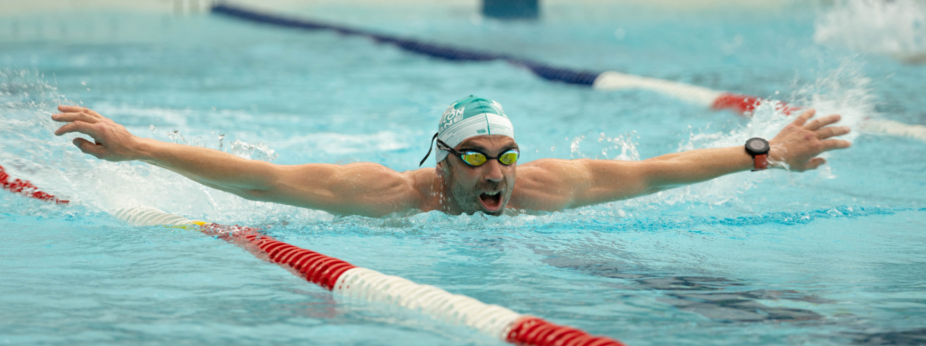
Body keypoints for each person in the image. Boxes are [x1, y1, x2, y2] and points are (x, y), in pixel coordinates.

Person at [51, 95, 851, 217]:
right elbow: (257, 178)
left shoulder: (543, 190)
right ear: (444, 162)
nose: (495, 171)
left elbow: (656, 171)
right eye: (476, 157)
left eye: (504, 154)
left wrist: (766, 152)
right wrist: (138, 150)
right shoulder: (392, 195)